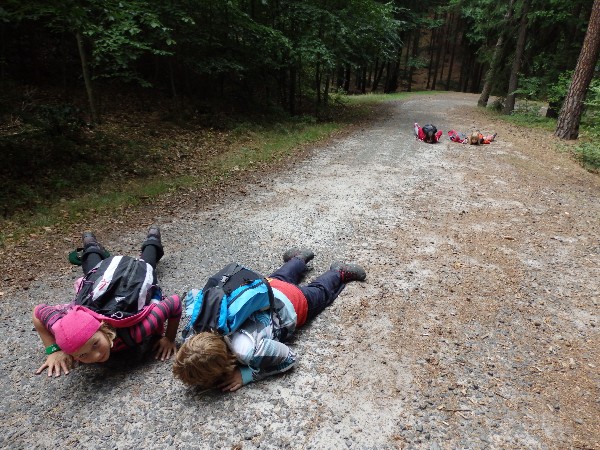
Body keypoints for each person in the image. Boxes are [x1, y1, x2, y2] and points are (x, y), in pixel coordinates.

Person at [172, 248, 367, 391]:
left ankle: (338, 272)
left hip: (290, 303)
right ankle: (298, 259)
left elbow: (289, 358)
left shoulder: (246, 350)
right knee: (280, 277)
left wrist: (247, 374)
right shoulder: (194, 329)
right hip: (261, 287)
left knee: (320, 292)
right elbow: (192, 297)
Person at [32, 226, 182, 377]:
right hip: (102, 279)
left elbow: (174, 302)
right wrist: (54, 350)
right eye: (83, 355)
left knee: (147, 265)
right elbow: (38, 312)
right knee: (96, 271)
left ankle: (152, 239)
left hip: (132, 276)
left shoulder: (134, 332)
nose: (96, 356)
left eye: (95, 344)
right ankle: (90, 242)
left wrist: (169, 338)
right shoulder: (61, 327)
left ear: (102, 328)